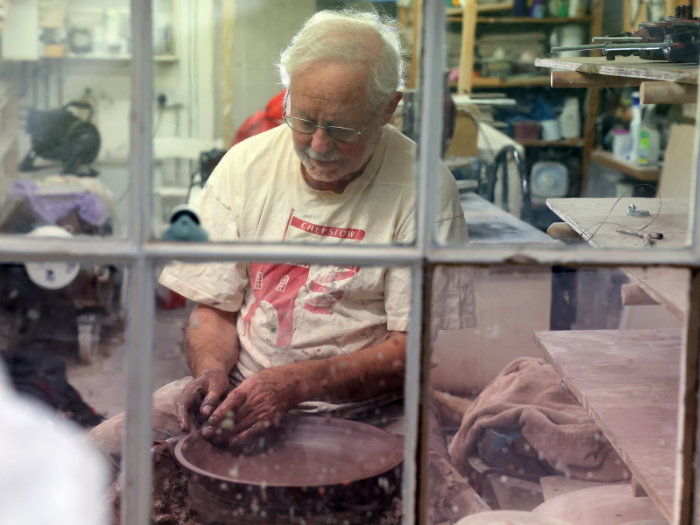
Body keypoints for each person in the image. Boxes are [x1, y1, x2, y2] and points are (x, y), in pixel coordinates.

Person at [89, 8, 475, 476]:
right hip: (241, 388)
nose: (316, 144)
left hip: (374, 406)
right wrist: (210, 372)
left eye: (340, 128)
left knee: (434, 498)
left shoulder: (425, 188)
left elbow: (409, 349)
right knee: (92, 458)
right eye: (304, 119)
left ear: (388, 109)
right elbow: (213, 308)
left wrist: (295, 383)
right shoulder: (244, 166)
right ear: (287, 94)